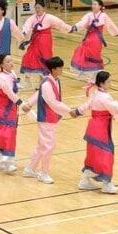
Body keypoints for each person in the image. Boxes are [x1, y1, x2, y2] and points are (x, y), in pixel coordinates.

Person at [70, 71, 118, 194]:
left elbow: (85, 105)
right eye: (109, 81)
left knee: (93, 154)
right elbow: (116, 107)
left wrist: (76, 111)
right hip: (101, 129)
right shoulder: (104, 97)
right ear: (102, 83)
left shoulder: (95, 94)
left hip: (93, 127)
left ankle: (85, 180)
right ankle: (106, 184)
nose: (110, 83)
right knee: (106, 155)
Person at [21, 56, 76, 184]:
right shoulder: (47, 83)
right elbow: (53, 102)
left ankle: (30, 168)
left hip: (51, 117)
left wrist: (29, 103)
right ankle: (43, 173)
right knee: (49, 145)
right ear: (54, 69)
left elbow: (38, 94)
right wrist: (69, 111)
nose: (62, 70)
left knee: (42, 145)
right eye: (60, 68)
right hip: (46, 117)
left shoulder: (54, 80)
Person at [0, 54, 22, 172]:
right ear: (2, 65)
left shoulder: (12, 74)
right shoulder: (1, 78)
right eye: (7, 61)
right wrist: (22, 103)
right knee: (7, 135)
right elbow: (9, 93)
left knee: (7, 135)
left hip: (12, 109)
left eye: (11, 60)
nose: (11, 63)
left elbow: (15, 90)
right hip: (2, 111)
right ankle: (9, 162)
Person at [19, 2, 73, 77]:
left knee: (45, 57)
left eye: (39, 8)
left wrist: (69, 29)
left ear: (43, 8)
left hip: (46, 41)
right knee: (29, 56)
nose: (37, 10)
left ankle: (45, 76)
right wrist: (24, 32)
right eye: (36, 8)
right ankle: (28, 75)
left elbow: (60, 24)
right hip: (35, 40)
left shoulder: (49, 17)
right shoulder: (32, 18)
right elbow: (27, 25)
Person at [70, 0, 118, 80]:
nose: (93, 6)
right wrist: (75, 27)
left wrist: (116, 32)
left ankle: (95, 77)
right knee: (82, 53)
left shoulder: (104, 16)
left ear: (100, 6)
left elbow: (110, 25)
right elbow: (82, 23)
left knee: (94, 57)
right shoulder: (89, 15)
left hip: (96, 39)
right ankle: (85, 72)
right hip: (88, 38)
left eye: (95, 4)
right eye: (92, 4)